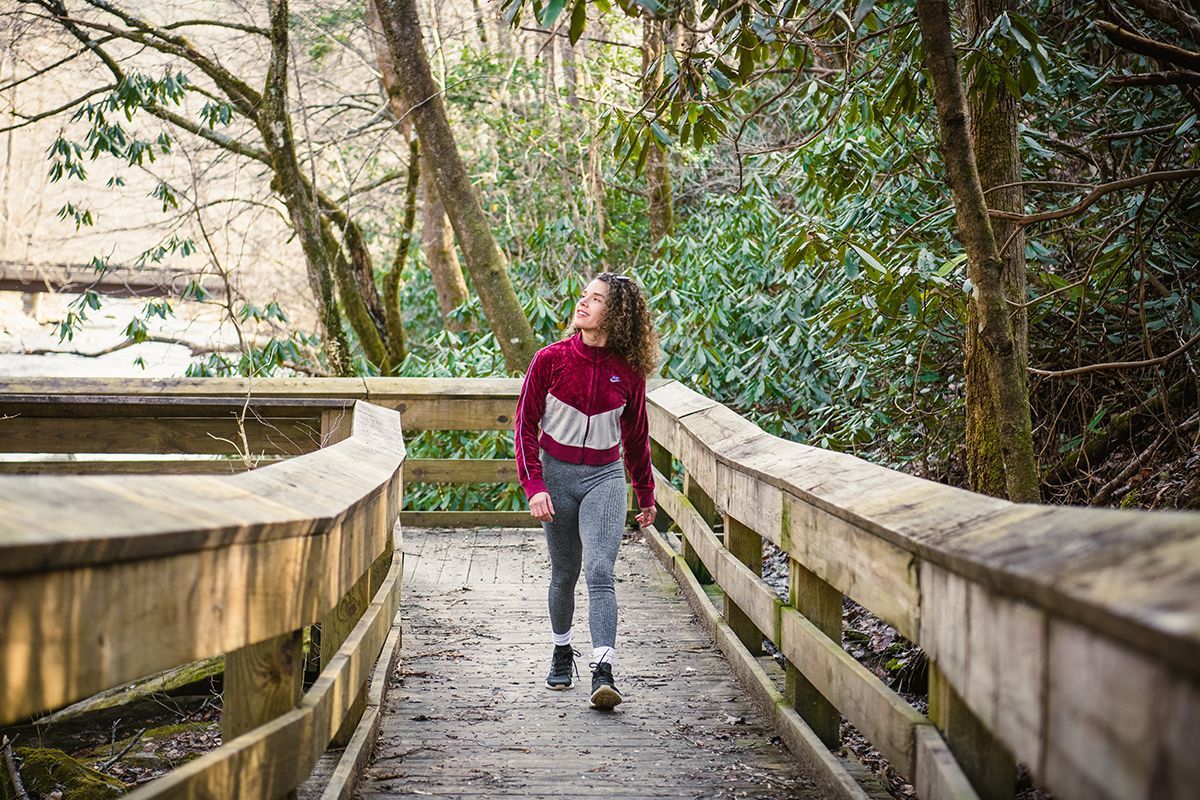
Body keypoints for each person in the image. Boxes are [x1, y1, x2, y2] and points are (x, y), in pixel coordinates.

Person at [513, 271, 659, 710]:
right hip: (556, 478)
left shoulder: (628, 373)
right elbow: (524, 428)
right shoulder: (550, 360)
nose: (583, 304)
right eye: (583, 296)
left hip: (604, 478)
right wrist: (534, 485)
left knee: (600, 570)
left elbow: (636, 438)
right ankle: (561, 649)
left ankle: (603, 669)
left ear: (614, 316)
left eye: (595, 300)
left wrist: (645, 493)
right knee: (565, 573)